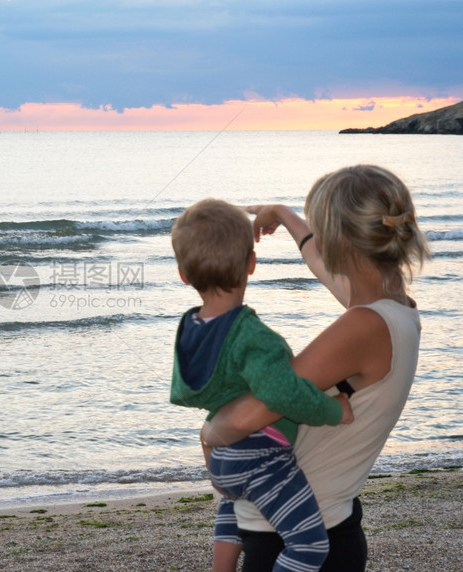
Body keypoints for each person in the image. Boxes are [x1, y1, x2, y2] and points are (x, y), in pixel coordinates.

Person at [200, 165, 431, 571]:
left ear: (340, 239)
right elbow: (320, 263)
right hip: (328, 525)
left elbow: (254, 413)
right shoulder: (396, 309)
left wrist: (209, 434)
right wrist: (287, 216)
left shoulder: (363, 326)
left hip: (295, 542)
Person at [169, 198, 354, 572]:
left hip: (223, 461)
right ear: (252, 264)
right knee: (309, 546)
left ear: (183, 275)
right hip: (261, 458)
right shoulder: (251, 335)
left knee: (234, 506)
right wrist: (335, 411)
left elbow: (187, 387)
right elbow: (282, 393)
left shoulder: (190, 328)